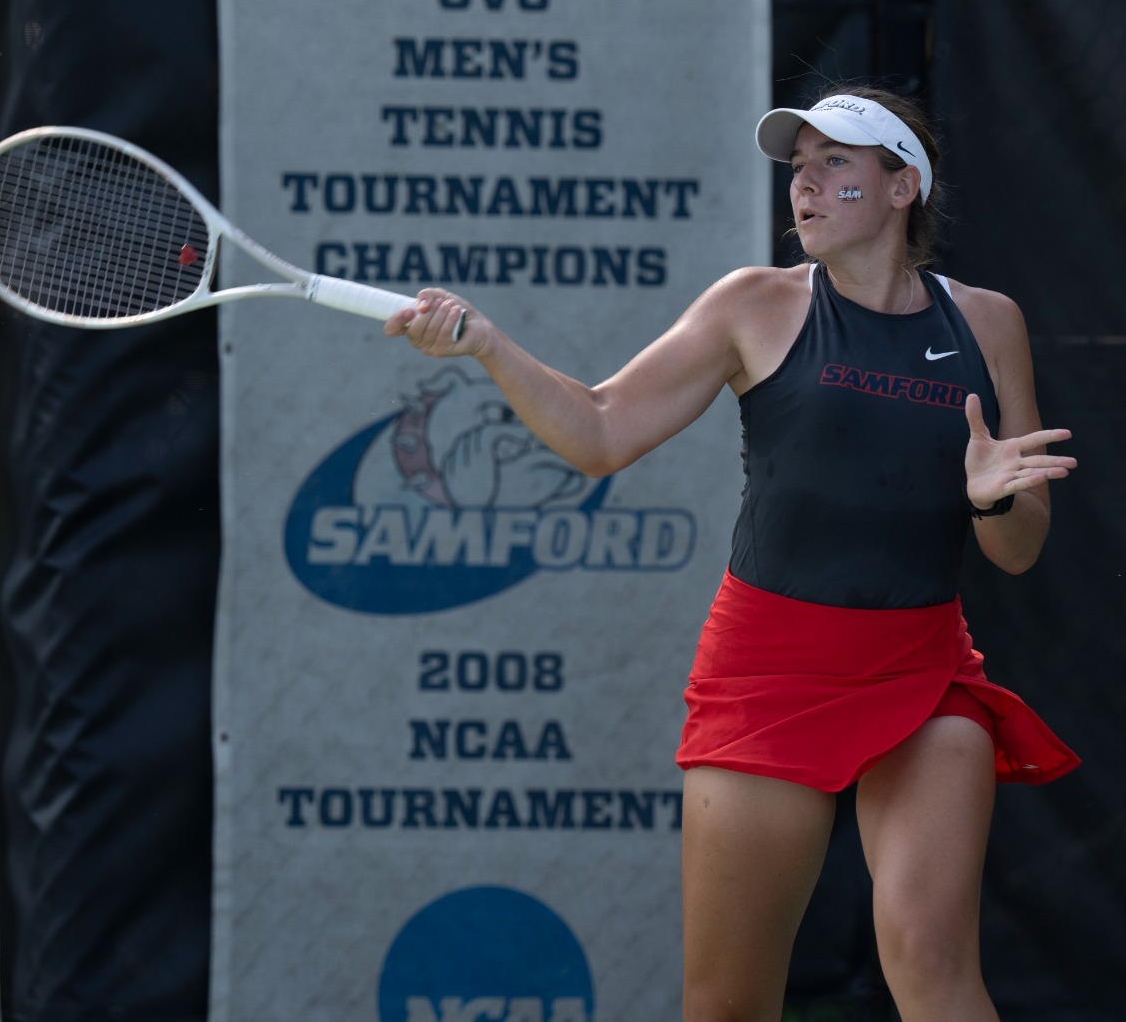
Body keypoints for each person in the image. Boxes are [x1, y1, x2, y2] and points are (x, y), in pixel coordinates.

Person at [385, 86, 1080, 1022]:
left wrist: (996, 499)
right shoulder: (752, 304)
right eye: (799, 167)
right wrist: (490, 348)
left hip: (924, 670)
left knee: (929, 954)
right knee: (726, 1005)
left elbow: (1019, 549)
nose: (804, 184)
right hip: (767, 672)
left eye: (836, 163)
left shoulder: (990, 324)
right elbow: (599, 429)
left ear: (902, 183)